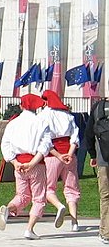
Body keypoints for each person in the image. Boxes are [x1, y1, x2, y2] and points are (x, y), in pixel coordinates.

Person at [0, 93, 52, 240]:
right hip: (36, 164)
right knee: (39, 198)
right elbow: (45, 146)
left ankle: (8, 209)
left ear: (22, 106)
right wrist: (33, 163)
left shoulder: (13, 123)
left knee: (22, 195)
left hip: (19, 164)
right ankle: (29, 228)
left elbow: (5, 144)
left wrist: (15, 162)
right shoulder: (41, 122)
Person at [39, 90, 80, 232]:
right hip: (69, 154)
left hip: (52, 156)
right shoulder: (68, 115)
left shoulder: (43, 116)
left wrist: (58, 155)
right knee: (71, 188)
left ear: (45, 101)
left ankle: (59, 206)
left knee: (48, 188)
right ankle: (74, 221)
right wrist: (69, 153)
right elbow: (75, 136)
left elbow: (45, 140)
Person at [85, 98, 109, 244]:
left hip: (103, 158)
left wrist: (93, 154)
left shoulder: (98, 107)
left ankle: (106, 232)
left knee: (105, 196)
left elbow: (88, 134)